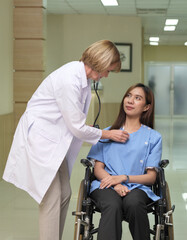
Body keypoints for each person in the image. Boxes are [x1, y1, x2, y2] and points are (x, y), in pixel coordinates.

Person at [2, 40, 129, 240]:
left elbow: (74, 122)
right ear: (101, 63)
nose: (106, 75)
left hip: (54, 141)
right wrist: (108, 134)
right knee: (51, 197)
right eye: (108, 71)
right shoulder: (69, 79)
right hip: (41, 141)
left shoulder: (82, 80)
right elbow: (77, 126)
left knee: (65, 193)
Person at [87, 83, 162, 240]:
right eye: (128, 96)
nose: (130, 100)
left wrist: (123, 178)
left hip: (137, 186)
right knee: (112, 205)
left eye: (137, 98)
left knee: (134, 203)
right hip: (106, 184)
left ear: (146, 107)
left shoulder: (153, 137)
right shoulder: (108, 133)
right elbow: (98, 168)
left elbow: (151, 177)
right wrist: (115, 183)